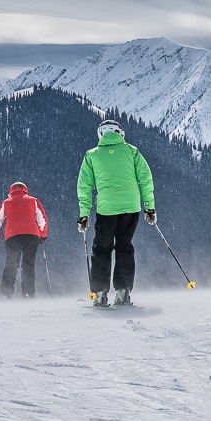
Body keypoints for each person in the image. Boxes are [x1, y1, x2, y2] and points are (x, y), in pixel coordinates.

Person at [77, 119, 155, 307]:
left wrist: (84, 214)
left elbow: (84, 186)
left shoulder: (92, 155)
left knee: (102, 249)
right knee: (124, 246)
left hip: (107, 209)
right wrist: (149, 208)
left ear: (100, 134)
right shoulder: (132, 151)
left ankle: (100, 292)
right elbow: (146, 179)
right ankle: (123, 291)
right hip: (131, 207)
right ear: (120, 133)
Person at [0, 181, 49, 299]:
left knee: (11, 265)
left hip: (12, 236)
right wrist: (43, 235)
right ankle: (28, 293)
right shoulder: (33, 201)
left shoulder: (6, 203)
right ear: (25, 190)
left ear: (10, 192)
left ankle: (5, 295)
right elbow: (42, 219)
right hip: (32, 235)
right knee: (28, 265)